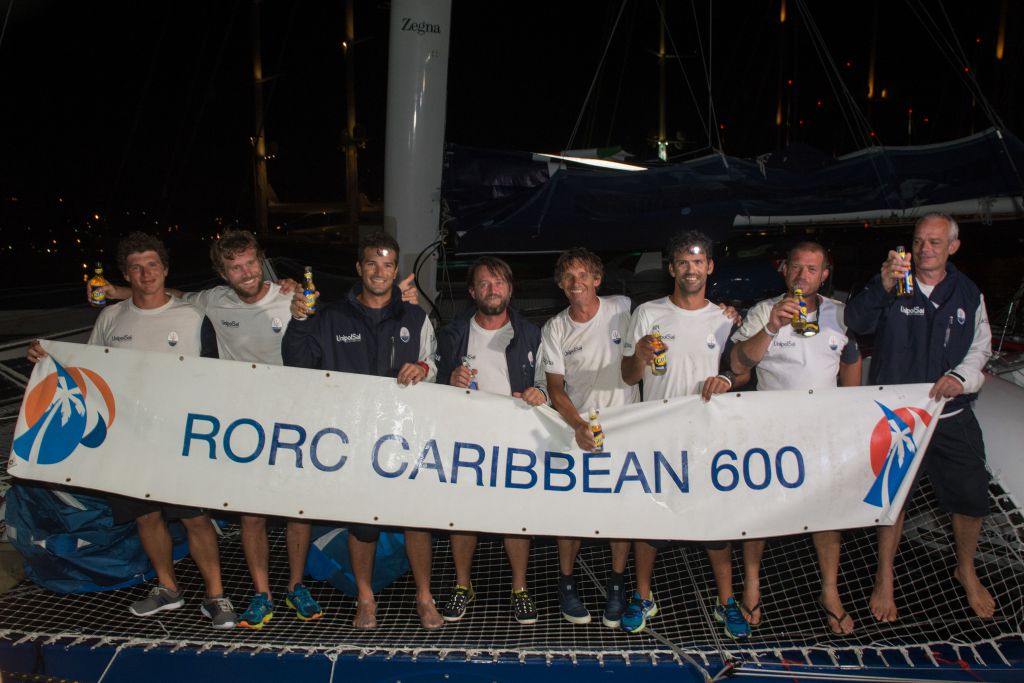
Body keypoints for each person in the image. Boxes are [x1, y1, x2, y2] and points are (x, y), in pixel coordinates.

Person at [99, 228, 420, 630]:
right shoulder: (211, 302)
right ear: (222, 273)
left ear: (261, 261)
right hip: (246, 421)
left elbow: (343, 319)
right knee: (252, 513)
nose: (246, 273)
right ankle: (261, 592)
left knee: (296, 511)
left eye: (251, 263)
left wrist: (405, 303)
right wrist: (117, 293)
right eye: (234, 267)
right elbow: (169, 298)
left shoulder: (293, 296)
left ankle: (296, 585)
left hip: (297, 417)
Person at [27, 232, 235, 629]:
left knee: (195, 518)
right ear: (126, 274)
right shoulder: (110, 317)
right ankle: (167, 588)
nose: (146, 274)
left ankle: (216, 596)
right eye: (137, 267)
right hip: (129, 438)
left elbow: (219, 374)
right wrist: (44, 354)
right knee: (146, 516)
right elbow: (87, 369)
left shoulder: (193, 315)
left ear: (165, 269)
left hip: (181, 437)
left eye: (152, 265)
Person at [281, 230, 443, 630]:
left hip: (404, 437)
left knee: (416, 520)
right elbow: (297, 363)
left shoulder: (415, 317)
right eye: (371, 262)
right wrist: (299, 320)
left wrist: (423, 369)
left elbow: (435, 362)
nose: (379, 271)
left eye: (387, 264)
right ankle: (366, 598)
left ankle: (424, 596)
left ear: (395, 270)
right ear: (359, 267)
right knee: (363, 523)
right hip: (352, 439)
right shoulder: (331, 316)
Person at [845, 212, 994, 622]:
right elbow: (855, 322)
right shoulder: (893, 285)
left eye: (934, 242)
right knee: (893, 499)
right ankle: (884, 575)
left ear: (953, 247)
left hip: (950, 414)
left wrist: (960, 378)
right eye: (919, 241)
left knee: (971, 498)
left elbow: (981, 348)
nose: (925, 249)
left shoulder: (967, 293)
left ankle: (965, 568)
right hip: (899, 417)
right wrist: (882, 286)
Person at [620, 230, 748, 638]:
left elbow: (741, 370)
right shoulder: (647, 314)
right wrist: (638, 357)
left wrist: (727, 379)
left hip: (710, 436)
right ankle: (643, 596)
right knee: (650, 519)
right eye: (683, 262)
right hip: (657, 435)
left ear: (709, 267)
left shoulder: (726, 319)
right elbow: (627, 376)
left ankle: (726, 600)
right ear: (671, 268)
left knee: (717, 523)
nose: (690, 269)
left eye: (698, 261)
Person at [729, 241, 861, 636]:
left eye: (812, 269)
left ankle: (830, 591)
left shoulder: (841, 314)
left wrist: (848, 422)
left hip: (821, 432)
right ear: (784, 270)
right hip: (770, 431)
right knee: (761, 510)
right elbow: (738, 364)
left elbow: (851, 369)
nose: (803, 275)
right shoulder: (763, 311)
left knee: (826, 515)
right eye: (796, 268)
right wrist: (771, 326)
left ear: (824, 275)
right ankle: (752, 585)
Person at [435, 256, 548, 625]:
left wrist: (539, 394)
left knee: (514, 518)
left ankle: (519, 588)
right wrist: (447, 381)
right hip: (467, 439)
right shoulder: (453, 333)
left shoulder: (531, 333)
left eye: (499, 282)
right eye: (484, 283)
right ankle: (462, 585)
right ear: (472, 292)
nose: (492, 289)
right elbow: (433, 383)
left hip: (516, 438)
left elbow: (550, 383)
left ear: (510, 290)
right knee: (462, 515)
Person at [540, 247, 637, 627]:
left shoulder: (625, 309)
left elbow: (660, 331)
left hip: (626, 427)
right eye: (568, 277)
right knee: (572, 515)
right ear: (561, 285)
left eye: (583, 275)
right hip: (576, 431)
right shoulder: (555, 328)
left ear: (598, 279)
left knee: (621, 512)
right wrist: (578, 424)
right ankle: (567, 583)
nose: (575, 283)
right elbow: (555, 388)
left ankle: (617, 586)